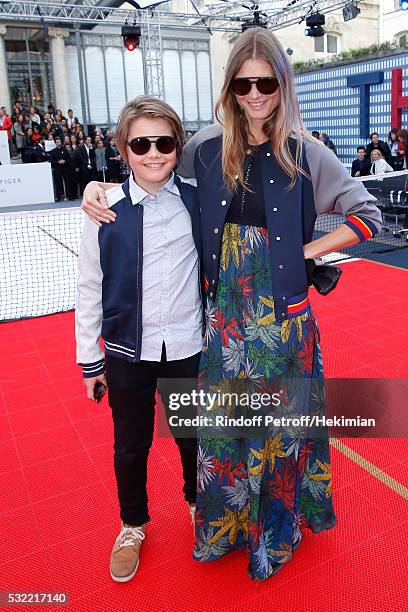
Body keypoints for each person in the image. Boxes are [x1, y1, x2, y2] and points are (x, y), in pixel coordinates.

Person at [81, 28, 382, 581]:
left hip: (285, 323)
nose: (255, 92)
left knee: (279, 432)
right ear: (230, 88)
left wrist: (302, 250)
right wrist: (97, 187)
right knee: (225, 431)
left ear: (282, 83)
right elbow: (151, 170)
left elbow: (366, 215)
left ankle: (275, 530)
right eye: (244, 82)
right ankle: (226, 527)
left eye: (266, 80)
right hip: (223, 322)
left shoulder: (307, 152)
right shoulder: (205, 146)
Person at [75, 96, 202, 584]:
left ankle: (196, 502)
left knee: (191, 437)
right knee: (131, 445)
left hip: (187, 343)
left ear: (179, 146)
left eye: (164, 142)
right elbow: (89, 288)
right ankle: (132, 525)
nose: (153, 153)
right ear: (123, 150)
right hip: (128, 351)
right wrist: (90, 361)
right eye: (140, 143)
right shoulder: (103, 211)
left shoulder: (197, 198)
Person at [49, 136, 69, 201]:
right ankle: (58, 196)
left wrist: (65, 161)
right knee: (58, 183)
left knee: (67, 182)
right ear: (55, 143)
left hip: (65, 168)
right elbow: (51, 161)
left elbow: (69, 158)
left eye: (59, 142)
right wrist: (58, 162)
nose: (59, 143)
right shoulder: (53, 151)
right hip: (57, 169)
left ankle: (69, 195)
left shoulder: (65, 150)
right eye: (57, 142)